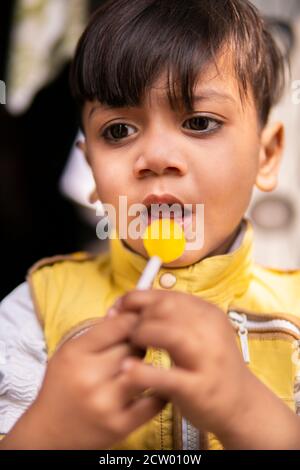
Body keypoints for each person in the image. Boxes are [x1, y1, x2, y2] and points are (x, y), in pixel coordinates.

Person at [1, 0, 300, 450]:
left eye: (199, 122)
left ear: (268, 153)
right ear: (92, 173)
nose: (156, 157)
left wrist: (246, 412)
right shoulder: (32, 313)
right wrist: (48, 433)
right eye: (118, 131)